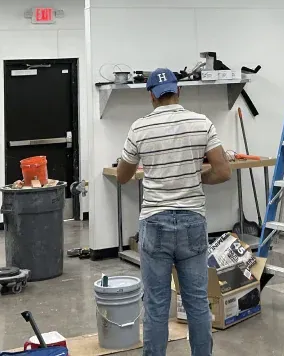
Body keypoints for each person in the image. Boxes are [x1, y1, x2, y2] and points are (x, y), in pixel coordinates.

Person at [116, 68, 231, 356]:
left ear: (151, 97)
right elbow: (223, 171)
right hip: (193, 220)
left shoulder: (139, 128)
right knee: (196, 302)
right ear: (179, 91)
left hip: (155, 222)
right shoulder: (202, 122)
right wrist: (198, 176)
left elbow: (122, 175)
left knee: (155, 305)